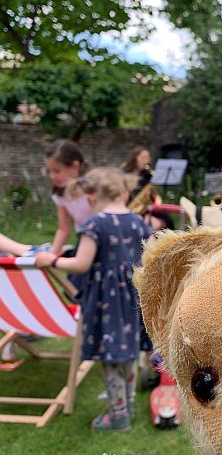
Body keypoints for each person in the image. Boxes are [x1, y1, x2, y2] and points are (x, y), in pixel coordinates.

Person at [35, 167, 152, 431]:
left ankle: (118, 415)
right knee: (128, 352)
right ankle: (128, 405)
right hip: (132, 296)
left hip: (106, 301)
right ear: (124, 191)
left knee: (111, 355)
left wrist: (51, 259)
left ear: (91, 196)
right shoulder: (138, 222)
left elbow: (81, 263)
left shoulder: (94, 225)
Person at [45, 140, 92, 256]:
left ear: (75, 166)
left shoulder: (92, 188)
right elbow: (63, 229)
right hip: (85, 241)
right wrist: (53, 255)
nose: (53, 176)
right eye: (49, 171)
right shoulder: (60, 195)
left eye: (57, 171)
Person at [122, 145, 172, 230]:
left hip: (146, 207)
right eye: (143, 158)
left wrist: (154, 199)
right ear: (135, 159)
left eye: (148, 158)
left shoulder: (148, 175)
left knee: (167, 219)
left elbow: (153, 194)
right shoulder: (125, 174)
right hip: (130, 207)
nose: (146, 161)